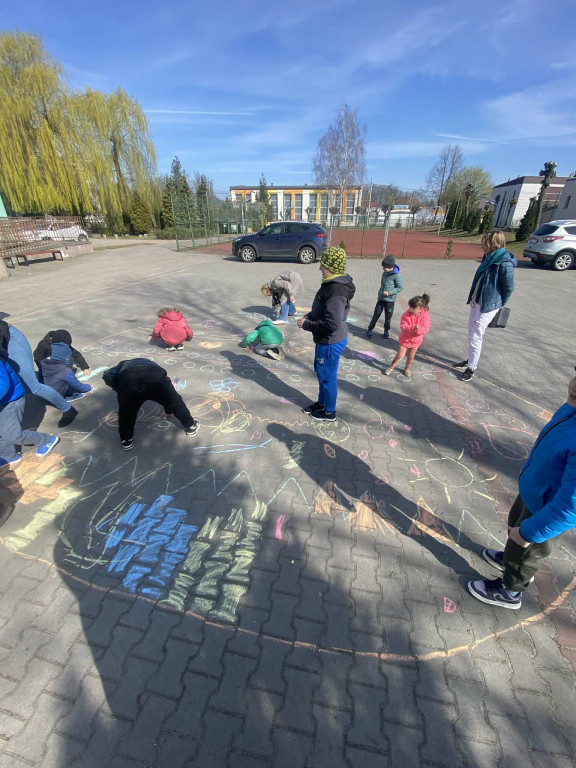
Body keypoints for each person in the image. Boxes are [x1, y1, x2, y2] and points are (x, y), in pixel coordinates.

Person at [468, 367, 576, 610]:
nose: (574, 384)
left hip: (546, 510)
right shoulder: (572, 408)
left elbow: (571, 508)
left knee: (527, 550)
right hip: (536, 491)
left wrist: (529, 534)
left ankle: (511, 590)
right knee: (515, 532)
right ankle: (510, 557)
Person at [297, 246, 355, 422]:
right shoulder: (332, 285)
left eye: (322, 265)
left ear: (330, 267)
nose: (320, 269)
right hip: (325, 340)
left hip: (330, 341)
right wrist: (310, 315)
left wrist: (308, 324)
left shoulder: (336, 291)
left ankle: (329, 412)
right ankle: (321, 403)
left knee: (327, 377)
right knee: (322, 373)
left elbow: (332, 323)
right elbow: (325, 312)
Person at [453, 230, 516, 382]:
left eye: (484, 244)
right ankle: (470, 360)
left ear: (492, 244)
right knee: (471, 333)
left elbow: (509, 287)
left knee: (476, 336)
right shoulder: (488, 257)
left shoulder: (504, 262)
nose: (482, 246)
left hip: (489, 305)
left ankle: (472, 368)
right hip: (478, 301)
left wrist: (499, 303)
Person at [102, 358, 199, 450]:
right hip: (154, 378)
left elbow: (107, 375)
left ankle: (126, 440)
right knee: (175, 401)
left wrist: (119, 389)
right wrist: (169, 410)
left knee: (126, 413)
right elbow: (169, 396)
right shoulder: (150, 364)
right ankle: (190, 426)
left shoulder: (122, 364)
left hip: (129, 383)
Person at [1, 320, 78, 428]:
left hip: (9, 340)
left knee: (33, 386)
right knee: (24, 387)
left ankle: (68, 409)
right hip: (4, 343)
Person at [1, 345, 59, 468]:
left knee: (14, 435)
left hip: (10, 401)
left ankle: (46, 440)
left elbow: (3, 384)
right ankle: (9, 456)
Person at [384, 294, 430, 378]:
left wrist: (418, 330)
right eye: (410, 307)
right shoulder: (406, 315)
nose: (411, 310)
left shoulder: (425, 316)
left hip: (416, 340)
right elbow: (403, 326)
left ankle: (407, 368)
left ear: (420, 309)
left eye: (413, 308)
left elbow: (426, 328)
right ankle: (391, 367)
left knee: (411, 357)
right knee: (400, 355)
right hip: (405, 339)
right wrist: (412, 328)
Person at [365, 254, 404, 339]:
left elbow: (400, 287)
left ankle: (386, 330)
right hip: (381, 299)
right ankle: (369, 329)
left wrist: (389, 293)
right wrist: (380, 294)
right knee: (376, 314)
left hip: (390, 300)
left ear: (391, 267)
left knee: (388, 317)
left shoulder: (397, 275)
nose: (383, 269)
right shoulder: (385, 273)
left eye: (385, 267)